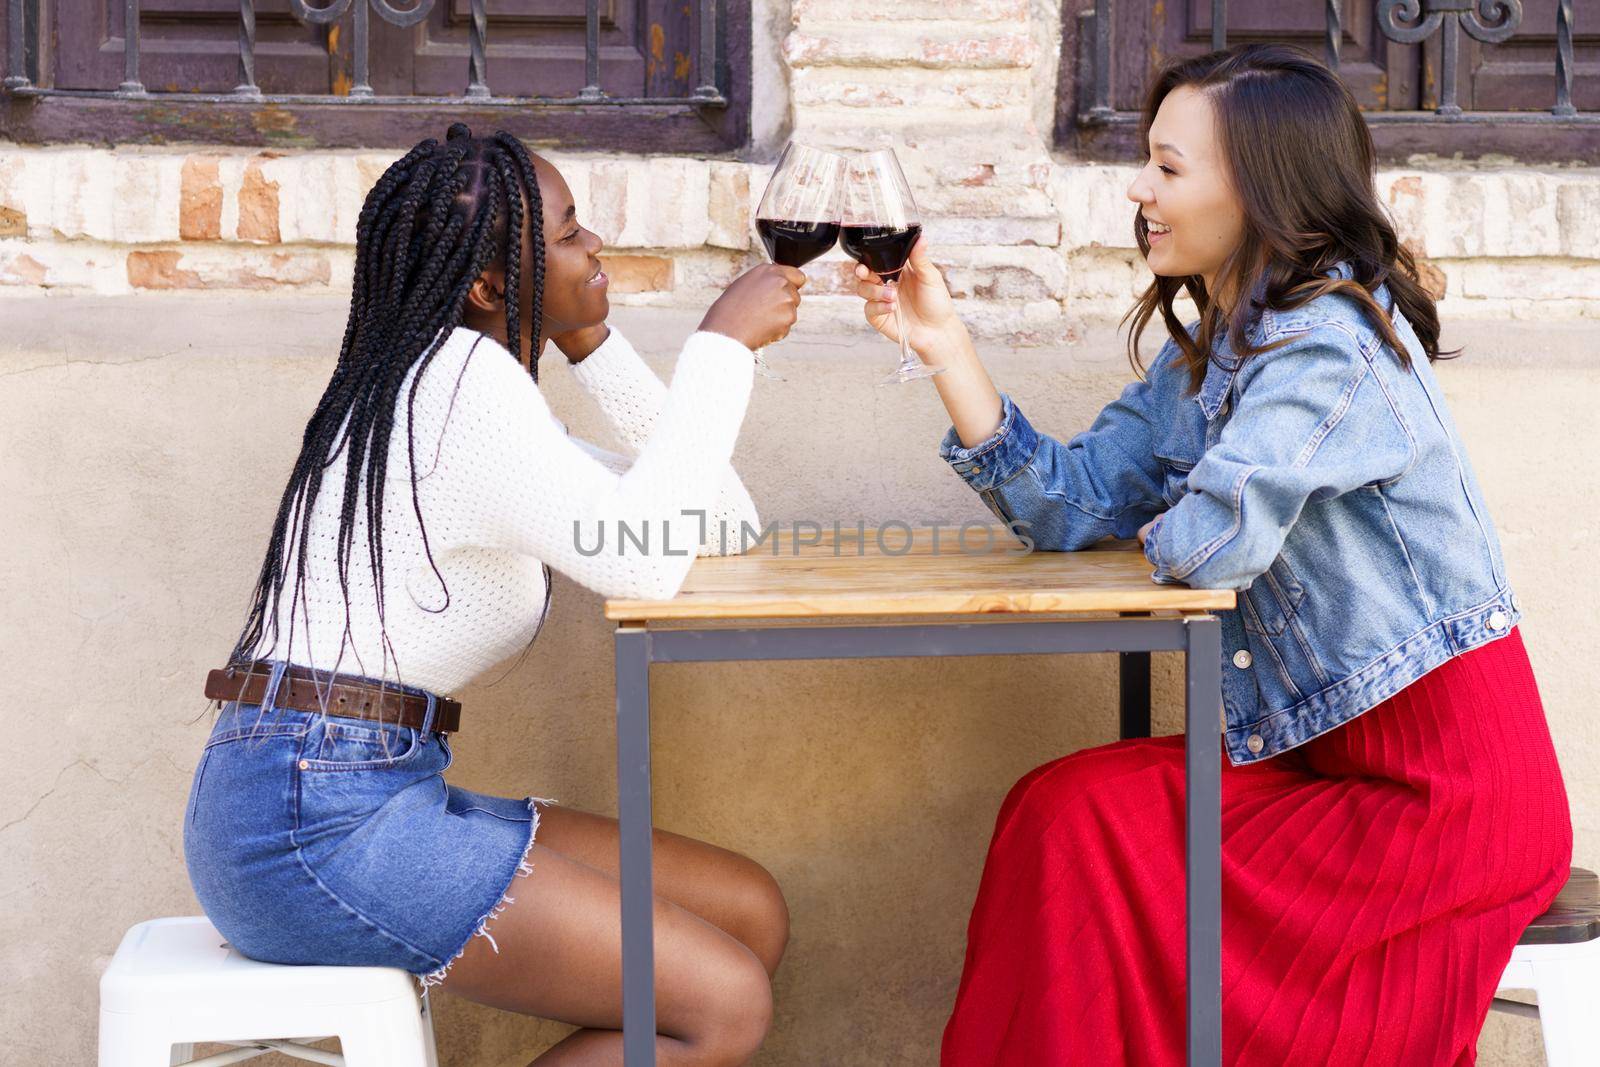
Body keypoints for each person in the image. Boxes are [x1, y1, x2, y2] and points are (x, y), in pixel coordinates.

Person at [852, 45, 1573, 1066]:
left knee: (1087, 825)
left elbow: (1212, 541)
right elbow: (1071, 505)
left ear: (1260, 188)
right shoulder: (1217, 357)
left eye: (1168, 166)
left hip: (1440, 805)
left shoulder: (1330, 345)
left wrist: (1169, 523)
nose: (1140, 189)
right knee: (1063, 810)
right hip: (1325, 767)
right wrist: (946, 349)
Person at [183, 124, 803, 1065]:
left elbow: (714, 522)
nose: (595, 247)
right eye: (567, 233)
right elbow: (642, 561)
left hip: (368, 783)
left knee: (744, 915)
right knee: (722, 1005)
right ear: (487, 285)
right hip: (314, 815)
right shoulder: (459, 385)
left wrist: (594, 345)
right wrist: (720, 349)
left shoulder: (468, 392)